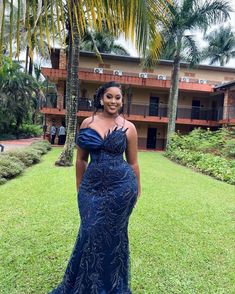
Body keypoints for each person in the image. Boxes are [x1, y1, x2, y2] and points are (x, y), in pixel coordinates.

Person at [49, 81, 141, 294]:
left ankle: (112, 286)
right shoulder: (87, 123)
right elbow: (81, 160)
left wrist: (137, 189)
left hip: (121, 190)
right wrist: (80, 188)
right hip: (91, 189)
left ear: (122, 101)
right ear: (101, 98)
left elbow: (133, 163)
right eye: (110, 96)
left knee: (115, 237)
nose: (114, 101)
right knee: (89, 232)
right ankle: (85, 285)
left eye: (118, 97)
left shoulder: (129, 127)